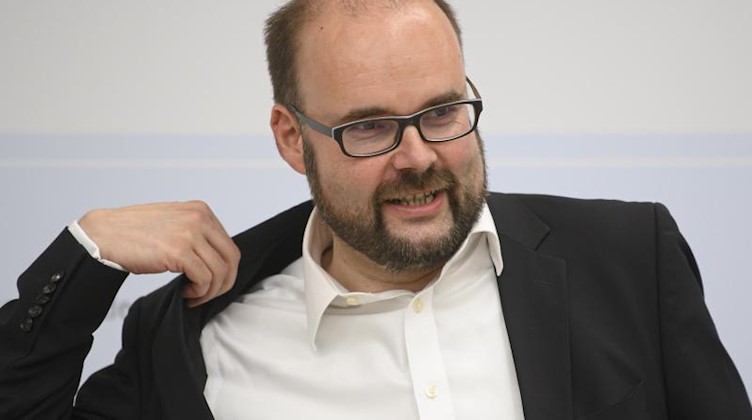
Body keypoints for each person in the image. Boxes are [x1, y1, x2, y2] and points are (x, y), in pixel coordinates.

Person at [1, 0, 750, 419]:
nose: (418, 154)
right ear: (293, 140)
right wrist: (85, 253)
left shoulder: (627, 257)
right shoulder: (188, 339)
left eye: (442, 110)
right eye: (369, 127)